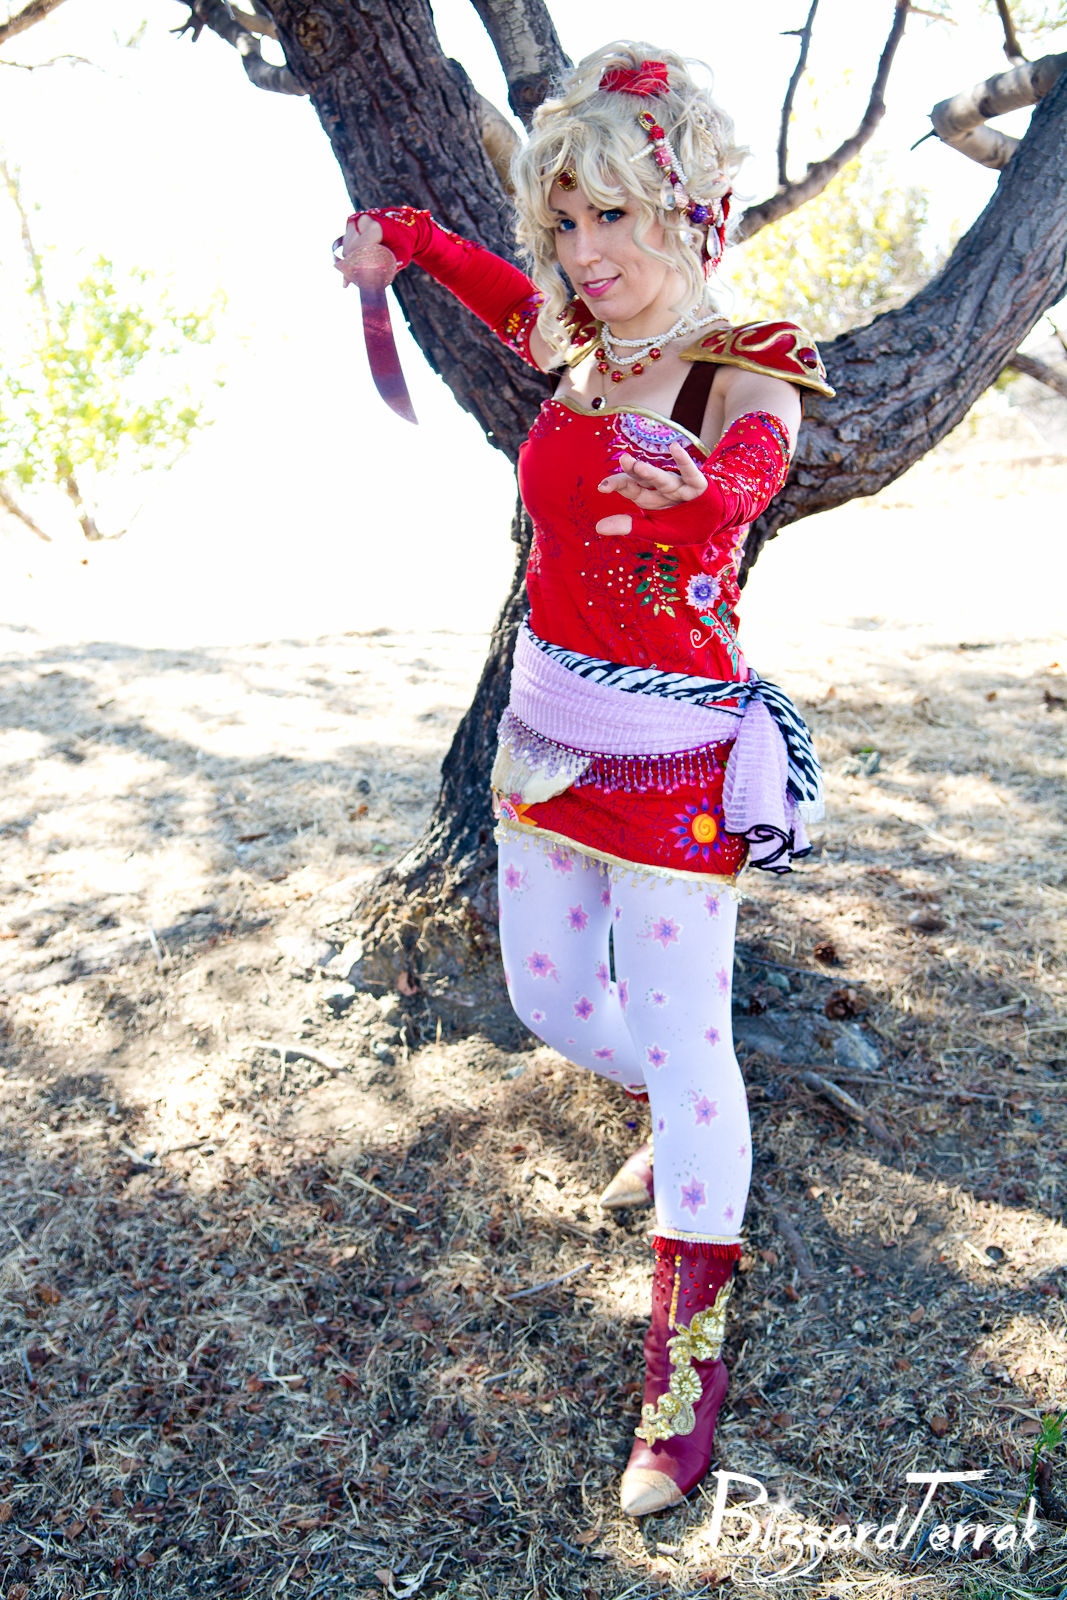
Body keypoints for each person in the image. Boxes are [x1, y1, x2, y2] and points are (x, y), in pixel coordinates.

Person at [335, 41, 831, 1517]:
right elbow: (496, 290)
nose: (582, 252)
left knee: (685, 1040)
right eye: (563, 221)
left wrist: (705, 498)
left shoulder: (747, 368)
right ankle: (690, 1107)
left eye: (612, 215)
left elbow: (746, 475)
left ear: (690, 209)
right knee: (553, 1003)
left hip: (673, 764)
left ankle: (684, 1379)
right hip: (545, 735)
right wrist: (407, 239)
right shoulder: (577, 340)